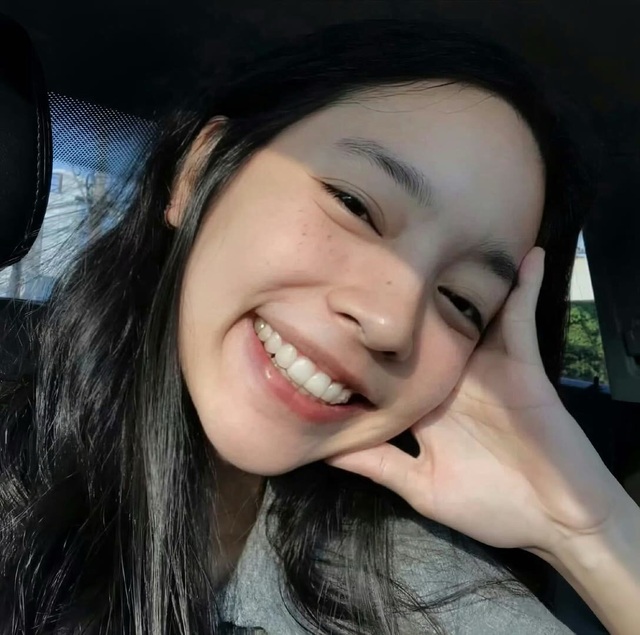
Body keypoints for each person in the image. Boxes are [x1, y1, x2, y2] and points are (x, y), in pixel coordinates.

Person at [0, 17, 638, 635]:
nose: (391, 322)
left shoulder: (419, 596)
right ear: (199, 172)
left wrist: (583, 526)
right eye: (354, 205)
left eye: (462, 301)